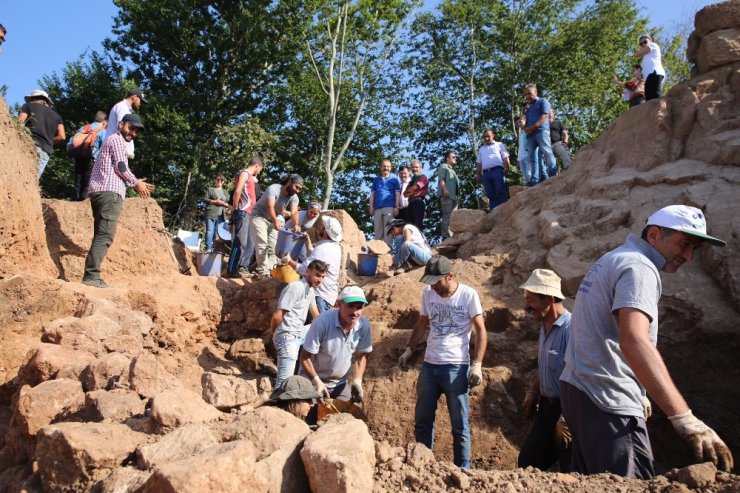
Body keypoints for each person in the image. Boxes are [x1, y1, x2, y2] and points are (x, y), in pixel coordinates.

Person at [560, 205, 733, 478]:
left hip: (582, 391)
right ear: (654, 235)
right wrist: (683, 417)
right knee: (628, 483)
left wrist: (640, 392)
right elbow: (635, 340)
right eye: (684, 244)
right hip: (609, 398)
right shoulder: (639, 267)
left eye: (694, 248)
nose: (688, 255)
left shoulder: (614, 258)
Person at [398, 255, 487, 469]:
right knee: (422, 420)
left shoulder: (468, 295)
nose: (434, 287)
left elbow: (481, 330)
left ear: (450, 276)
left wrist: (477, 364)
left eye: (437, 282)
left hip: (456, 367)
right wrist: (409, 349)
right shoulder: (429, 294)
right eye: (430, 282)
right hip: (430, 365)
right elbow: (422, 323)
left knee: (459, 424)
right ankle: (422, 465)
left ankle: (463, 470)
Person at [81, 114, 154, 288]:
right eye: (131, 127)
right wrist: (136, 183)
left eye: (136, 130)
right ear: (121, 124)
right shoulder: (117, 140)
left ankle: (92, 274)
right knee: (105, 235)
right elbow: (121, 166)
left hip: (101, 191)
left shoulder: (113, 140)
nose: (133, 133)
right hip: (109, 193)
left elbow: (118, 167)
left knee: (100, 233)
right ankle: (91, 276)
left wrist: (135, 180)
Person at [517, 269, 571, 472]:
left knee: (571, 466)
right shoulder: (544, 326)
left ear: (549, 298)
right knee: (528, 462)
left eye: (530, 300)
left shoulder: (570, 328)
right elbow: (547, 366)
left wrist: (568, 416)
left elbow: (580, 374)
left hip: (568, 410)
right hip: (547, 408)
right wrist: (533, 392)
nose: (526, 306)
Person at [299, 285, 372, 414]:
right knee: (308, 417)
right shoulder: (322, 322)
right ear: (339, 304)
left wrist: (357, 380)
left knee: (346, 418)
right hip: (311, 380)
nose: (355, 312)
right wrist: (316, 381)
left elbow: (361, 357)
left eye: (359, 307)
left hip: (338, 384)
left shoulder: (363, 326)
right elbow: (305, 357)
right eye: (350, 306)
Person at [271, 259, 328, 389]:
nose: (320, 280)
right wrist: (273, 332)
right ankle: (276, 405)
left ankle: (314, 373)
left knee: (324, 330)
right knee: (284, 383)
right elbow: (277, 316)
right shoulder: (295, 287)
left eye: (323, 277)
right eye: (317, 275)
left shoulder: (311, 290)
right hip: (287, 336)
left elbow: (317, 318)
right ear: (307, 272)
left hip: (299, 333)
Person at [284, 216, 343, 313]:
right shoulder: (334, 247)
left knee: (315, 326)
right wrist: (307, 241)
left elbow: (305, 270)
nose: (320, 227)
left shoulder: (323, 249)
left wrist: (289, 260)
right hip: (327, 295)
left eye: (322, 226)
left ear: (325, 231)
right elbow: (316, 257)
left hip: (319, 296)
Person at [250, 174, 303, 276]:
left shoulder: (294, 197)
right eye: (296, 187)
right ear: (289, 182)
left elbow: (294, 212)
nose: (297, 190)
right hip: (258, 216)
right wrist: (275, 220)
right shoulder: (274, 188)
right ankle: (263, 272)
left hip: (272, 221)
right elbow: (270, 206)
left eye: (300, 189)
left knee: (274, 248)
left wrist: (296, 224)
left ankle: (269, 270)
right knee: (262, 244)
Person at [227, 158, 264, 277]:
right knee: (240, 242)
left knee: (250, 243)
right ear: (257, 166)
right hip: (242, 212)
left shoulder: (251, 178)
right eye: (260, 169)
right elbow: (237, 191)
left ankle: (241, 267)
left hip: (249, 214)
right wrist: (234, 208)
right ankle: (231, 270)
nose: (259, 172)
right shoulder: (245, 173)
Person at [18, 90, 65, 177]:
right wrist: (49, 141)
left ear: (33, 98)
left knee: (19, 175)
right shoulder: (57, 116)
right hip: (45, 151)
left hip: (29, 144)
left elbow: (19, 124)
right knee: (32, 180)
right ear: (46, 101)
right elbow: (62, 136)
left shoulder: (28, 106)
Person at [68, 111, 108, 201]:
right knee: (88, 183)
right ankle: (84, 203)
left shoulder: (84, 128)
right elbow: (105, 147)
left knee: (77, 181)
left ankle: (74, 201)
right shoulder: (103, 131)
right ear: (104, 121)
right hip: (91, 159)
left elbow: (71, 141)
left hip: (78, 157)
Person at [523, 84, 557, 187]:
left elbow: (545, 116)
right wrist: (526, 129)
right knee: (532, 158)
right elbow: (526, 122)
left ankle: (553, 172)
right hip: (530, 135)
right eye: (526, 94)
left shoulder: (543, 101)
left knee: (547, 151)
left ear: (535, 92)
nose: (528, 96)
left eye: (529, 93)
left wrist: (533, 127)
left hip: (541, 131)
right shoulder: (528, 108)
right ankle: (535, 179)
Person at [106, 87, 147, 158]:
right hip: (115, 151)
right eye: (141, 101)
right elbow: (122, 131)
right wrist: (127, 152)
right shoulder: (123, 107)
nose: (141, 104)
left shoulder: (123, 107)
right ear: (134, 97)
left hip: (115, 150)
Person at [476, 129, 510, 210]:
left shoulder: (499, 144)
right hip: (486, 173)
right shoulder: (481, 149)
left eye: (488, 136)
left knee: (500, 190)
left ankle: (504, 210)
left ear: (493, 136)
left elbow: (505, 157)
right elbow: (479, 163)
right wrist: (478, 174)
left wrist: (507, 168)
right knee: (490, 194)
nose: (486, 138)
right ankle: (494, 212)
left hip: (497, 170)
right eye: (485, 137)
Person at [369, 159, 401, 247]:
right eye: (384, 166)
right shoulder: (376, 180)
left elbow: (397, 193)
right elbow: (372, 194)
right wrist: (371, 206)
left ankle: (388, 252)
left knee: (388, 231)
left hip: (390, 207)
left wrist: (396, 207)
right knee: (378, 231)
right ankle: (377, 252)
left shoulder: (394, 179)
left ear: (390, 168)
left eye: (387, 166)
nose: (385, 168)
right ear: (381, 168)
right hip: (377, 208)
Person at [203, 173, 230, 253]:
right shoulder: (210, 189)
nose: (219, 181)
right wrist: (215, 201)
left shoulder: (225, 192)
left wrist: (224, 204)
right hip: (211, 213)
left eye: (221, 180)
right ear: (215, 180)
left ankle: (215, 249)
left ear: (223, 182)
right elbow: (205, 199)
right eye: (218, 179)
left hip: (222, 215)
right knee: (210, 230)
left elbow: (228, 201)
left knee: (217, 233)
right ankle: (208, 248)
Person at [635, 35, 665, 101]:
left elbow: (637, 54)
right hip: (648, 77)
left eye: (645, 42)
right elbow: (641, 76)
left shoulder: (653, 45)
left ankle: (660, 109)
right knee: (648, 98)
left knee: (655, 94)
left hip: (655, 72)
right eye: (641, 44)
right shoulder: (644, 60)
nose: (643, 44)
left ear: (650, 40)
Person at [438, 151, 460, 239]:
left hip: (454, 197)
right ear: (447, 158)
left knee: (453, 217)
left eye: (455, 157)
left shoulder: (452, 170)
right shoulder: (444, 167)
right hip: (447, 196)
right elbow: (441, 180)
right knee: (447, 216)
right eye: (453, 157)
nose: (455, 158)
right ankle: (446, 236)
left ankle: (452, 236)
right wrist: (445, 190)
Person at [404, 160, 428, 230]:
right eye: (413, 167)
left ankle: (420, 240)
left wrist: (411, 191)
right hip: (410, 203)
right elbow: (405, 194)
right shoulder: (412, 180)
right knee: (408, 225)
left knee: (417, 224)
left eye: (416, 167)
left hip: (418, 202)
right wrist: (413, 192)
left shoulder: (423, 177)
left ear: (421, 168)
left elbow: (415, 187)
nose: (414, 169)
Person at [516, 117, 533, 186]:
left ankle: (533, 185)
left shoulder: (529, 130)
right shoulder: (520, 133)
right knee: (525, 175)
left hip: (528, 154)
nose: (519, 124)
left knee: (529, 173)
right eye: (517, 123)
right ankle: (529, 187)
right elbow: (520, 146)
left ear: (525, 121)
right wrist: (518, 159)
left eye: (520, 121)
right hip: (521, 157)